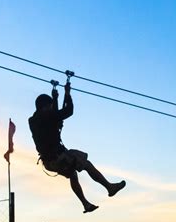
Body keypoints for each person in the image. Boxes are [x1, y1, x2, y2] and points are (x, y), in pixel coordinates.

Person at [29, 81, 125, 213]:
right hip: (57, 157)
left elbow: (54, 118)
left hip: (49, 162)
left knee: (73, 174)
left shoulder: (34, 120)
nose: (51, 108)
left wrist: (56, 99)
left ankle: (86, 204)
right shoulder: (48, 116)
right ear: (45, 107)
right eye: (50, 106)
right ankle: (109, 187)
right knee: (86, 164)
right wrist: (67, 94)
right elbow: (68, 111)